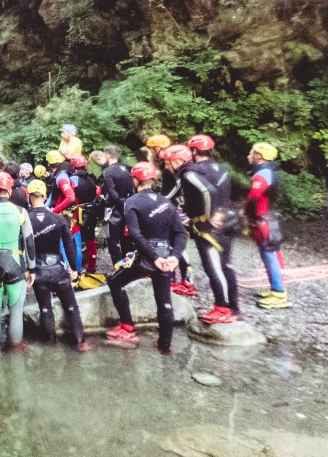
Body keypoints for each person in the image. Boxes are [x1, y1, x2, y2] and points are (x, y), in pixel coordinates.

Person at [105, 162, 187, 355]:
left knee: (114, 281)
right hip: (166, 256)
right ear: (153, 180)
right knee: (163, 300)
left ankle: (127, 327)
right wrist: (174, 257)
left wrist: (153, 257)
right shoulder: (166, 202)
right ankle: (165, 346)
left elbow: (134, 234)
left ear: (135, 180)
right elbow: (181, 233)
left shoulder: (131, 202)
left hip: (147, 257)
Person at [165, 143, 239, 323]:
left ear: (176, 161)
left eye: (167, 163)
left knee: (213, 267)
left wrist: (207, 216)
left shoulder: (189, 173)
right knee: (225, 266)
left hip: (210, 228)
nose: (166, 166)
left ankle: (223, 308)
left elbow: (207, 191)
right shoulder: (220, 168)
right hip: (227, 220)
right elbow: (225, 191)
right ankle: (233, 308)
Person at [0, 171, 36, 350]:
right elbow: (29, 242)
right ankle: (16, 346)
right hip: (15, 261)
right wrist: (32, 269)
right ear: (9, 190)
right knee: (16, 310)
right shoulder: (20, 211)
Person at [26, 180, 87, 350]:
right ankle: (80, 343)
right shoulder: (58, 218)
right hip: (58, 269)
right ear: (45, 196)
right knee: (71, 307)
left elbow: (23, 248)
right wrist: (74, 269)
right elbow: (69, 245)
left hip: (38, 271)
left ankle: (50, 343)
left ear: (29, 197)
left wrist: (27, 270)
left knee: (45, 308)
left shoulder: (26, 220)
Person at [245, 142, 291, 309]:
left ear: (259, 156)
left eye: (252, 153)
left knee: (270, 255)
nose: (249, 155)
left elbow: (253, 198)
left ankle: (279, 294)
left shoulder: (263, 174)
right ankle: (275, 289)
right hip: (267, 217)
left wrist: (248, 215)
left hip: (264, 219)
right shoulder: (269, 171)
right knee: (270, 254)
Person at [69, 155, 103, 283]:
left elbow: (71, 196)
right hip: (91, 212)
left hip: (77, 214)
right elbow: (97, 194)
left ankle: (76, 270)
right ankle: (92, 267)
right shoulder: (91, 179)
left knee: (76, 242)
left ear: (73, 166)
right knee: (90, 240)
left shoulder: (73, 179)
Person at [102, 145, 135, 265]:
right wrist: (128, 205)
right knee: (126, 238)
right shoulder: (126, 168)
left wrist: (121, 205)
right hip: (128, 205)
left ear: (107, 155)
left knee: (113, 240)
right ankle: (129, 264)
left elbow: (112, 192)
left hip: (115, 210)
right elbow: (132, 189)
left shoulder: (108, 171)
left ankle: (117, 266)